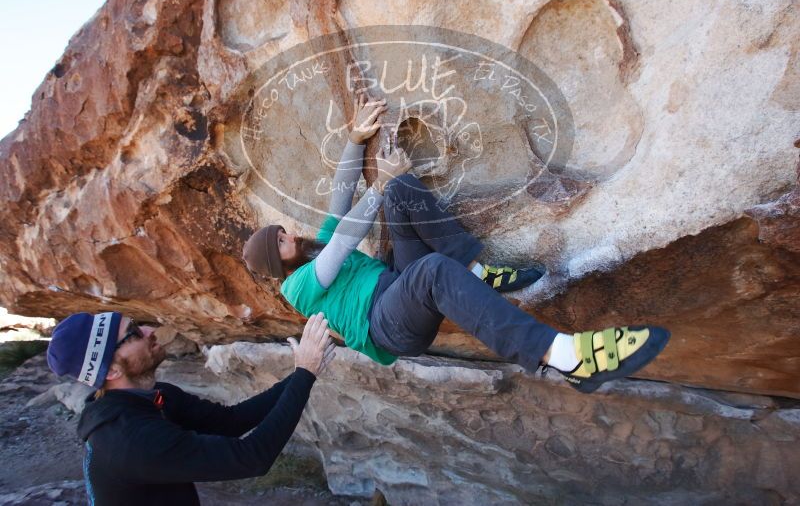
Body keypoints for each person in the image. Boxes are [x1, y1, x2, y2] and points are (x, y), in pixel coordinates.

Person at [243, 95, 670, 394]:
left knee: (402, 191)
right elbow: (342, 243)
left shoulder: (309, 248)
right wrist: (378, 186)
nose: (291, 236)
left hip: (393, 284)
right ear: (277, 266)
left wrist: (355, 139)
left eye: (283, 232)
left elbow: (340, 191)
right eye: (280, 242)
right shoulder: (295, 288)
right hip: (388, 324)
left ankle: (478, 273)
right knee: (430, 269)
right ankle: (562, 355)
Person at [46, 310, 335, 506]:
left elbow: (232, 421)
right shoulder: (130, 440)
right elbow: (253, 458)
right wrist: (305, 375)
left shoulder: (155, 398)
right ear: (110, 371)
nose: (150, 331)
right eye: (133, 332)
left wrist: (302, 371)